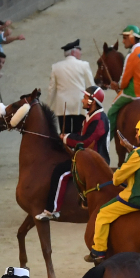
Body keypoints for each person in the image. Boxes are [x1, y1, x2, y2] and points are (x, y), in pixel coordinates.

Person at [87, 116, 140, 263]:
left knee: (103, 213)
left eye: (138, 132)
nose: (136, 135)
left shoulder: (137, 154)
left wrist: (130, 157)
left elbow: (117, 179)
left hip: (136, 199)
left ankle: (98, 251)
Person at [37, 86, 111, 221]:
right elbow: (82, 136)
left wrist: (66, 139)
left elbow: (87, 141)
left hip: (94, 161)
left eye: (85, 98)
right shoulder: (91, 117)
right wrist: (68, 136)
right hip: (88, 157)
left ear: (92, 102)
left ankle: (53, 210)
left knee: (60, 172)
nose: (82, 100)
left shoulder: (99, 119)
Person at [46, 38, 94, 134]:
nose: (80, 53)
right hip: (79, 105)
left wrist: (47, 108)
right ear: (73, 52)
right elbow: (91, 86)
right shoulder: (84, 65)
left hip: (62, 106)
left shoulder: (56, 67)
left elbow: (52, 90)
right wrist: (94, 105)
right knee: (78, 133)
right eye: (79, 51)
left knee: (64, 134)